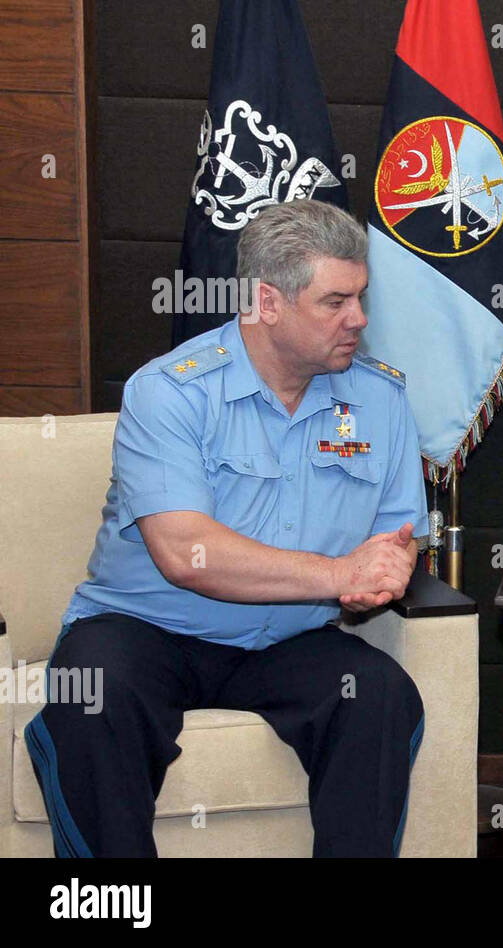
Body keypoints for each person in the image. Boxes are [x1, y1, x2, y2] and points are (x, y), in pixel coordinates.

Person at [25, 200, 430, 857]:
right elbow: (187, 553)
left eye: (361, 297)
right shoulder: (171, 392)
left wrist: (388, 567)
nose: (358, 319)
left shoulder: (379, 399)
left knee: (379, 695)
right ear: (267, 302)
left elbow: (396, 530)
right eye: (334, 302)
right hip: (150, 630)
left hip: (289, 638)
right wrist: (338, 575)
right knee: (91, 697)